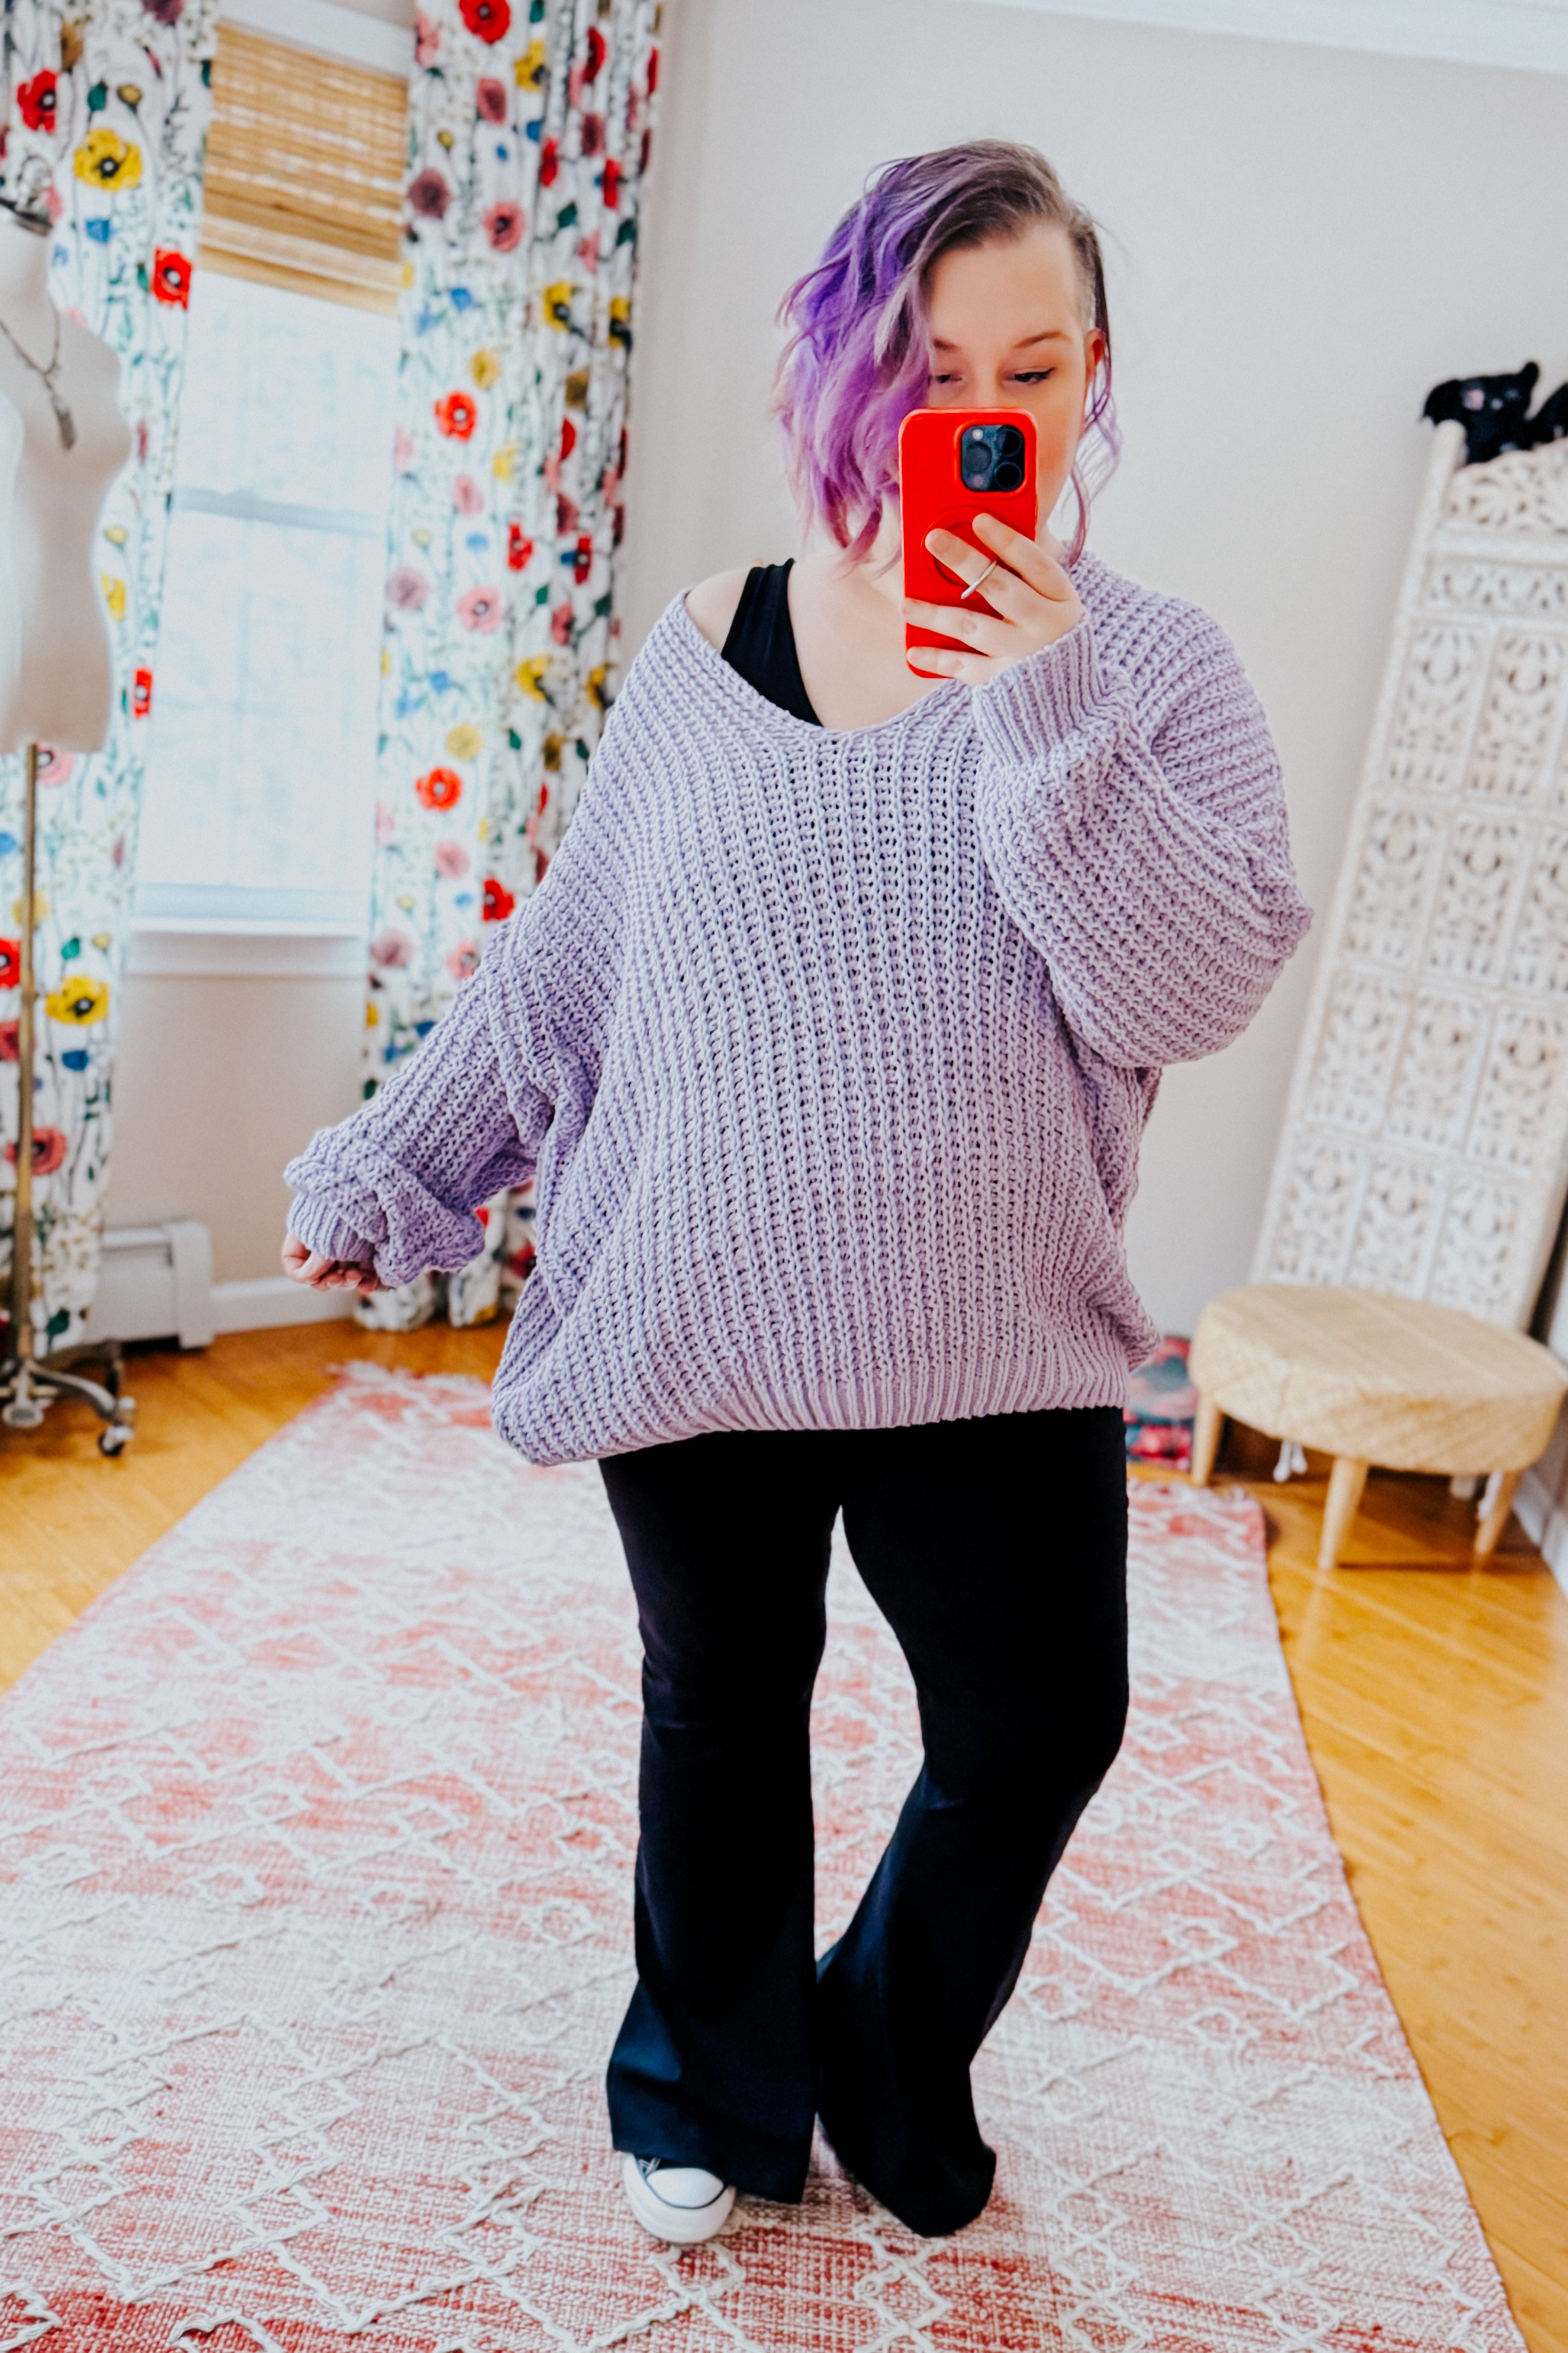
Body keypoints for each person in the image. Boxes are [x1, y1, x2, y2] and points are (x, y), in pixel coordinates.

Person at [282, 140, 1311, 2246]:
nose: (981, 409)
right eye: (934, 366)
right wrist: (401, 1162)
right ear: (857, 374)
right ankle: (705, 2090)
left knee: (1035, 1728)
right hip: (705, 1302)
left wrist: (1044, 704)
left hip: (996, 1324)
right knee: (722, 1715)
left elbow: (1187, 982)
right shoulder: (706, 647)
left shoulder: (1161, 674)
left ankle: (883, 2047)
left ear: (1092, 371)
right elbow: (572, 968)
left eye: (1031, 363)